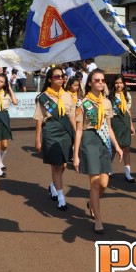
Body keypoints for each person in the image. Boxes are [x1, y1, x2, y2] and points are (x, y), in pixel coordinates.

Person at [73, 69, 123, 234]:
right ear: (89, 83)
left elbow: (108, 128)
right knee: (94, 183)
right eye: (97, 80)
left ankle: (91, 202)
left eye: (102, 80)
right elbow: (79, 130)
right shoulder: (83, 104)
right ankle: (98, 220)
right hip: (89, 141)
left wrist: (116, 146)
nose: (100, 83)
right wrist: (76, 155)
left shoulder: (107, 103)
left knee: (104, 184)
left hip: (104, 143)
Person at [34, 67, 76, 211]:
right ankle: (61, 198)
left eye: (62, 76)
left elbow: (71, 117)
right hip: (50, 130)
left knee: (63, 164)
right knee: (56, 165)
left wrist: (76, 135)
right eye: (57, 76)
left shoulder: (68, 95)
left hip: (65, 131)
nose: (60, 78)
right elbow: (39, 119)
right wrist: (38, 139)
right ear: (50, 79)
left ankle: (53, 185)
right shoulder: (43, 97)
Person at [108, 74, 136, 183]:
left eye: (121, 83)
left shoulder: (127, 95)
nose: (119, 85)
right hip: (115, 122)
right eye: (117, 83)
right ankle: (109, 168)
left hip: (125, 122)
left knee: (127, 147)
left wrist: (131, 125)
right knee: (115, 147)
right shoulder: (110, 97)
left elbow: (128, 111)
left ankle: (128, 173)